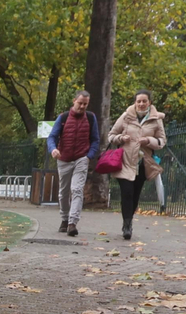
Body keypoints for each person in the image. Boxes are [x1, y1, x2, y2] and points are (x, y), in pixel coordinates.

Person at [106, 90, 167, 240]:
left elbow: (162, 141)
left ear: (149, 103)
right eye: (138, 101)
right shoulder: (126, 116)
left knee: (135, 195)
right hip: (125, 161)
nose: (141, 104)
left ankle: (129, 220)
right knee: (126, 192)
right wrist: (121, 137)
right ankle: (127, 225)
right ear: (135, 102)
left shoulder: (156, 119)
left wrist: (148, 141)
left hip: (142, 163)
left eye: (144, 101)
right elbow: (111, 135)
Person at [46, 89, 100, 237]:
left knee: (77, 190)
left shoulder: (90, 118)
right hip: (63, 159)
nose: (82, 106)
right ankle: (64, 218)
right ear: (74, 101)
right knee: (63, 192)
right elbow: (52, 137)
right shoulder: (63, 118)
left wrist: (89, 156)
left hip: (81, 158)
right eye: (80, 103)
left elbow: (95, 139)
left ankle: (72, 223)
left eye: (85, 104)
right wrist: (53, 149)